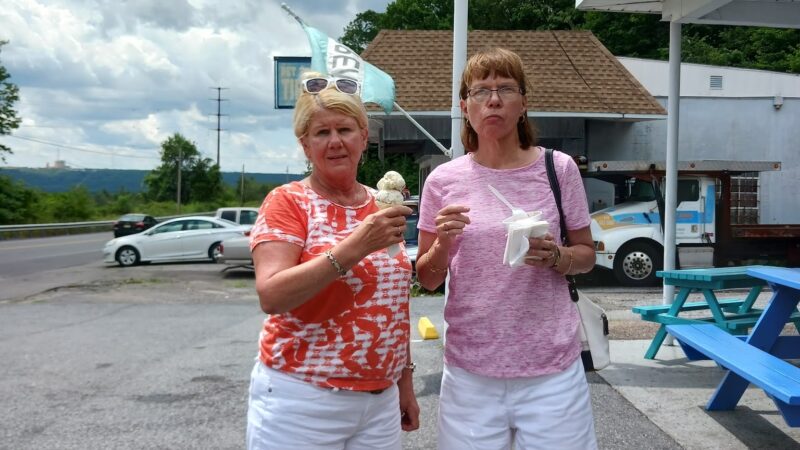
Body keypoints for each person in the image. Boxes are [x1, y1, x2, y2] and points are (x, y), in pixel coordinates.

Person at [416, 48, 598, 449]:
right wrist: (445, 242)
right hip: (470, 374)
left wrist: (557, 257)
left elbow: (586, 254)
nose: (493, 99)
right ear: (465, 107)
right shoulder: (443, 180)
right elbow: (427, 278)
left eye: (505, 89)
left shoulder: (559, 168)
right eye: (480, 91)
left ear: (524, 103)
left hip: (551, 371)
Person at [246, 72, 420, 450]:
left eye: (344, 129)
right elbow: (271, 295)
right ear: (305, 145)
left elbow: (393, 305)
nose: (335, 141)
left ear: (364, 136)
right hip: (303, 399)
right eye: (321, 133)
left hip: (380, 402)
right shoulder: (287, 202)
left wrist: (404, 381)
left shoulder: (382, 203)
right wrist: (353, 247)